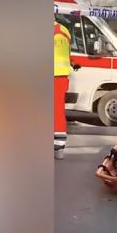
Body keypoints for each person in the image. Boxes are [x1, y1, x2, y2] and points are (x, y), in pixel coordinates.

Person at [54, 20, 73, 160]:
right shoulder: (64, 30)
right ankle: (59, 148)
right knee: (58, 110)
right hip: (62, 76)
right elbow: (69, 53)